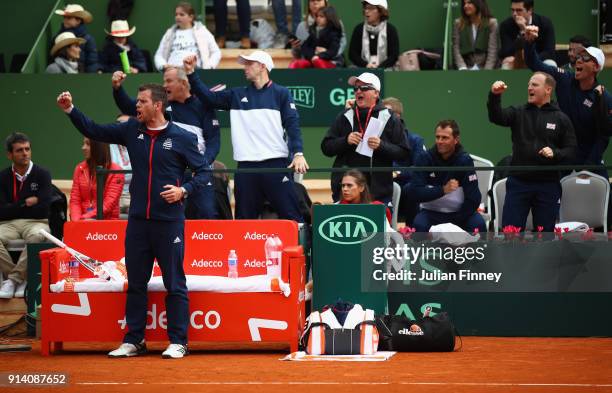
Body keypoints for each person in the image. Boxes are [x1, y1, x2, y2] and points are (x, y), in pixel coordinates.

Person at [57, 84, 206, 359]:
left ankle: (178, 341)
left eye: (142, 101)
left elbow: (204, 173)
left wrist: (183, 190)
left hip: (169, 222)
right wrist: (70, 110)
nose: (136, 106)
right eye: (137, 101)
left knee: (175, 283)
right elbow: (94, 130)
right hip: (138, 222)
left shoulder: (182, 137)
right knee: (136, 283)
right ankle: (134, 340)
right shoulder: (130, 131)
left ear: (157, 106)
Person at [183, 51, 309, 221]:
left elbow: (292, 126)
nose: (245, 67)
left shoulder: (281, 93)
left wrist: (298, 153)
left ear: (263, 66)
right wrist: (191, 73)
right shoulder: (236, 94)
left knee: (293, 218)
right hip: (245, 167)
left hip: (276, 165)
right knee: (244, 221)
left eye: (250, 64)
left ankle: (302, 248)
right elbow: (208, 98)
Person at [112, 67, 220, 219]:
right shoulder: (161, 105)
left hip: (196, 170)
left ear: (183, 83)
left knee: (206, 213)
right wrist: (117, 88)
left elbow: (214, 143)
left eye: (169, 81)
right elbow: (128, 106)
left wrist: (202, 164)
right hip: (172, 170)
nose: (164, 85)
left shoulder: (203, 107)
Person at [487, 73, 576, 232]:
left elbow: (571, 150)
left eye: (535, 85)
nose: (529, 88)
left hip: (548, 185)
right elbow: (496, 117)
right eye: (529, 84)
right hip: (519, 183)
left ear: (548, 89)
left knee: (545, 236)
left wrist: (555, 153)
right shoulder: (518, 112)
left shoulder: (561, 118)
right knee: (511, 234)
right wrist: (494, 96)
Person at [524, 30, 612, 172]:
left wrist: (589, 166)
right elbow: (534, 63)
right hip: (561, 157)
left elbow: (604, 136)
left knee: (602, 188)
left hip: (589, 160)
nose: (578, 60)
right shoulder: (564, 78)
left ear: (596, 67)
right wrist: (529, 42)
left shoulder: (603, 97)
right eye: (579, 56)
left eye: (585, 58)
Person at [321, 72, 410, 206]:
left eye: (364, 88)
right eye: (356, 89)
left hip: (378, 193)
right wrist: (345, 140)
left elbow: (404, 152)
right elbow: (326, 147)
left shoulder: (390, 118)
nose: (358, 91)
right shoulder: (345, 116)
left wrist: (382, 145)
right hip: (346, 193)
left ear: (376, 93)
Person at [407, 120, 486, 233]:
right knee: (419, 224)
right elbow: (414, 192)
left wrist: (454, 221)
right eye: (437, 137)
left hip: (459, 214)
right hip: (431, 213)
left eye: (445, 138)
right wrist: (443, 190)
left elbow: (474, 199)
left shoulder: (464, 161)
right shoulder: (424, 158)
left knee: (478, 224)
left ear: (456, 140)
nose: (439, 141)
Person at [0, 133, 52, 298]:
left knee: (38, 236)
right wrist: (25, 203)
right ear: (10, 155)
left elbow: (43, 209)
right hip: (9, 223)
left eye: (27, 149)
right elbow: (2, 212)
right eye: (19, 150)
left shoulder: (43, 174)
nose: (25, 153)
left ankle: (12, 281)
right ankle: (19, 278)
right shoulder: (2, 177)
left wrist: (13, 206)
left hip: (37, 222)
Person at [381, 97, 426, 227]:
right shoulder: (376, 139)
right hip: (383, 188)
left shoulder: (415, 140)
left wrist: (396, 172)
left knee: (412, 188)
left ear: (397, 116)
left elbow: (419, 170)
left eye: (385, 113)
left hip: (406, 192)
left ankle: (411, 234)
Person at [154, 1, 221, 71]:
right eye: (176, 14)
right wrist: (163, 66)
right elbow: (159, 55)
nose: (177, 17)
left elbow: (216, 52)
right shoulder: (169, 33)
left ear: (191, 17)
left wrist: (208, 68)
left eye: (181, 14)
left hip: (195, 72)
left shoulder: (202, 31)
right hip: (173, 72)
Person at [69, 138, 124, 221]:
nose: (83, 147)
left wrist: (84, 218)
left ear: (98, 147)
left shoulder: (116, 171)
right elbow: (75, 200)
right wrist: (76, 221)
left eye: (88, 144)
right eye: (83, 144)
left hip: (106, 223)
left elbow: (108, 205)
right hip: (82, 222)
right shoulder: (80, 169)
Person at [498, 0, 555, 69]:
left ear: (530, 10)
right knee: (506, 65)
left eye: (519, 10)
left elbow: (549, 52)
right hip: (516, 61)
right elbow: (506, 51)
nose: (514, 14)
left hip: (539, 60)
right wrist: (522, 32)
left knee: (551, 63)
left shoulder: (544, 23)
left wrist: (530, 60)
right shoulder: (506, 25)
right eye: (512, 10)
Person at [348, 0, 399, 69]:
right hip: (362, 68)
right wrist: (366, 65)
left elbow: (394, 55)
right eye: (366, 8)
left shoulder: (390, 30)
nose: (366, 11)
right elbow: (352, 54)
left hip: (385, 69)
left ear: (381, 11)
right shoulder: (359, 29)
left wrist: (380, 67)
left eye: (371, 8)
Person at [452, 0, 499, 70]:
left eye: (469, 3)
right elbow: (456, 48)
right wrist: (462, 67)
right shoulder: (458, 23)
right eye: (464, 3)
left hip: (485, 67)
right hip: (466, 67)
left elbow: (492, 50)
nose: (465, 6)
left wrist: (487, 71)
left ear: (478, 3)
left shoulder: (491, 23)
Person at [54, 4, 99, 73]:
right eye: (64, 18)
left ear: (78, 21)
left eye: (68, 18)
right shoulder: (58, 36)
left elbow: (92, 63)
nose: (65, 20)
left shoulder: (88, 39)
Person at [110, 115, 132, 215]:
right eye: (118, 124)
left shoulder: (140, 144)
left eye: (126, 124)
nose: (122, 127)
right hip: (113, 195)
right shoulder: (108, 145)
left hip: (134, 196)